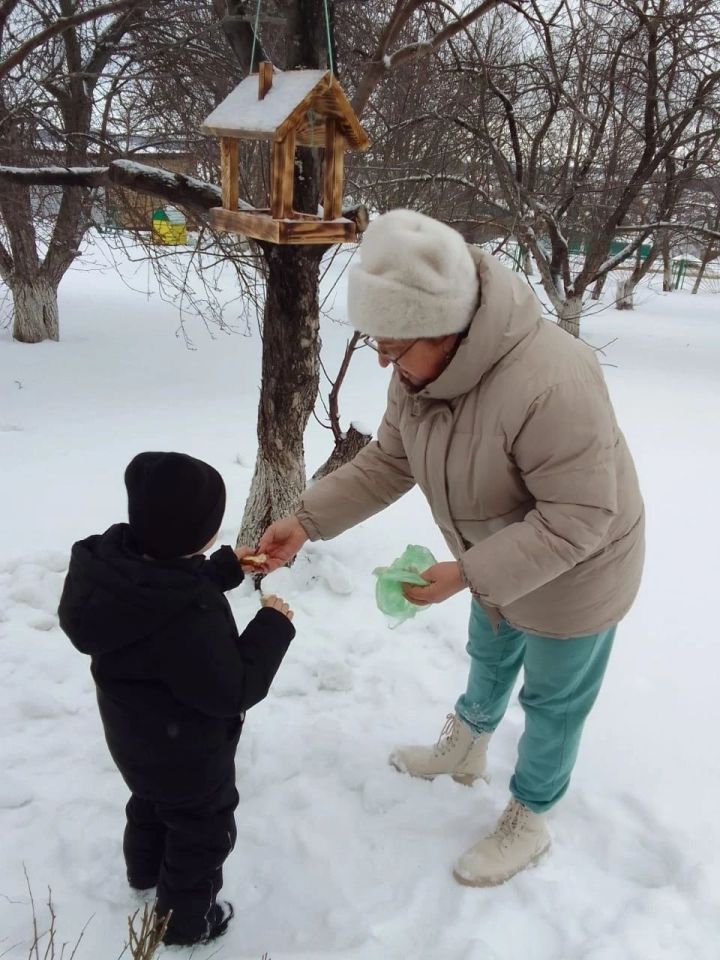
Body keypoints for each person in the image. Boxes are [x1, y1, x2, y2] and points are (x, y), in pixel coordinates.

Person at [256, 210, 645, 887]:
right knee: (490, 654)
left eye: (395, 346)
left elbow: (580, 516)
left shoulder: (552, 380)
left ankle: (531, 812)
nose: (385, 362)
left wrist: (467, 571)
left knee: (553, 702)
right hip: (494, 553)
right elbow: (387, 462)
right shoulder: (419, 372)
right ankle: (466, 747)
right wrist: (306, 519)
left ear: (450, 329)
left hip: (580, 572)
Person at [58, 452, 295, 944]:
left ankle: (143, 874)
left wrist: (229, 566)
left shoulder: (115, 570)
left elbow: (165, 583)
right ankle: (185, 925)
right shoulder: (188, 616)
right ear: (195, 534)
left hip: (135, 741)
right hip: (190, 758)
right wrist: (273, 625)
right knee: (200, 835)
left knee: (148, 803)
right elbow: (233, 689)